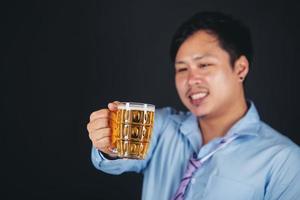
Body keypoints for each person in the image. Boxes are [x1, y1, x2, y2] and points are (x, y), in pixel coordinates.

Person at [87, 11, 300, 200]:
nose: (191, 80)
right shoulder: (160, 127)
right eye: (182, 69)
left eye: (204, 65)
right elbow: (116, 159)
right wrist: (109, 144)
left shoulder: (284, 160)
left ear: (240, 68)